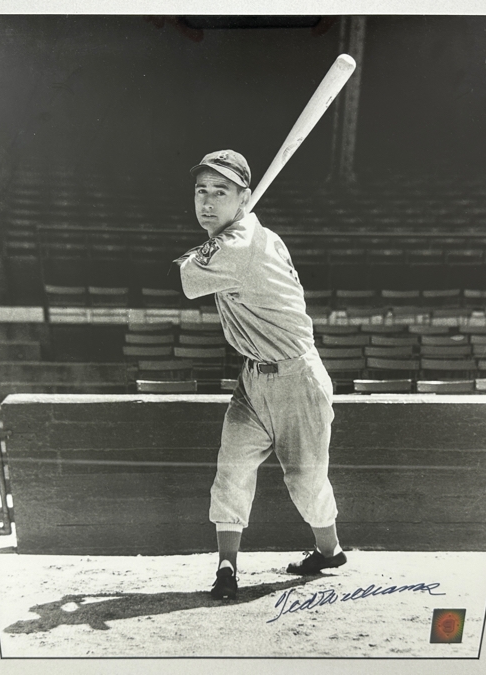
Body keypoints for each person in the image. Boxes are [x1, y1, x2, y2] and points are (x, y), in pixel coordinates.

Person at [174, 150, 346, 601]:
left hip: (297, 379)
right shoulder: (250, 234)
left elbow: (187, 277)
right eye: (202, 191)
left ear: (244, 198)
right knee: (230, 471)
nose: (207, 203)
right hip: (253, 377)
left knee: (306, 483)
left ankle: (329, 551)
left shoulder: (242, 246)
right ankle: (226, 567)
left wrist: (206, 247)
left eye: (222, 193)